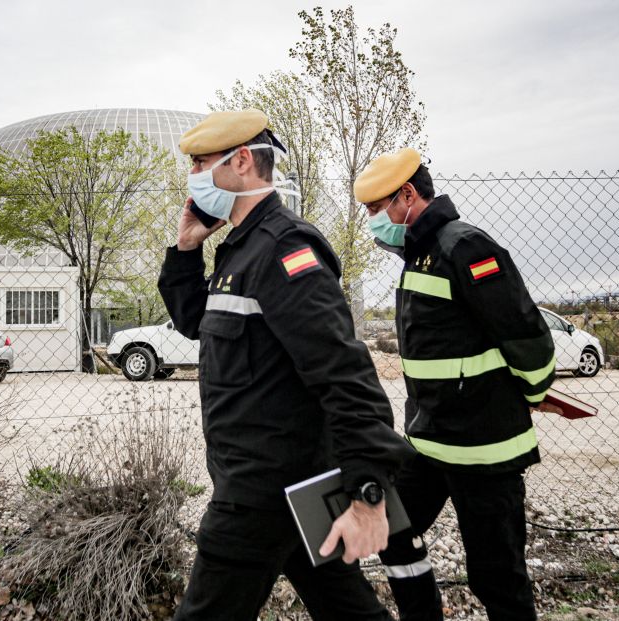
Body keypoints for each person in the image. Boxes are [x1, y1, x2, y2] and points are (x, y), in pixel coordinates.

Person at [158, 109, 416, 621]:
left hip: (258, 495)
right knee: (347, 608)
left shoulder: (284, 249)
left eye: (201, 163)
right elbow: (197, 322)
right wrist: (187, 250)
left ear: (242, 162)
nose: (193, 176)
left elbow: (345, 373)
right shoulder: (240, 249)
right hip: (293, 488)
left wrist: (368, 492)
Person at [354, 147, 559, 621]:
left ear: (407, 195)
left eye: (375, 208)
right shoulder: (419, 256)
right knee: (390, 530)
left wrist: (533, 392)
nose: (371, 221)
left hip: (484, 452)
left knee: (496, 577)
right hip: (430, 445)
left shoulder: (463, 246)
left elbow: (527, 336)